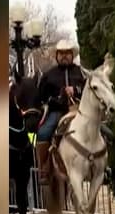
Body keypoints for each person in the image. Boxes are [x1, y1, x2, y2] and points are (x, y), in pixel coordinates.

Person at [34, 39, 87, 177]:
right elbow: (41, 97)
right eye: (61, 53)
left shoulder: (81, 73)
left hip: (80, 110)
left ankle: (103, 167)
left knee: (101, 129)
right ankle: (44, 168)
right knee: (43, 133)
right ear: (57, 55)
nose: (64, 56)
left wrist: (75, 90)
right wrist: (57, 97)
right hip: (57, 111)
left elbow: (90, 90)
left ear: (72, 55)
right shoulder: (48, 75)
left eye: (67, 53)